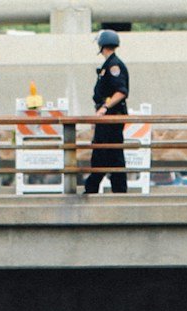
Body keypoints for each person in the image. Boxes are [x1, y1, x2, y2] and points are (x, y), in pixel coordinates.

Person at [82, 31, 131, 194]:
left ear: (102, 45)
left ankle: (92, 189)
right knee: (112, 155)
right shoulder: (109, 64)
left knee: (104, 153)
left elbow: (121, 91)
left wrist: (105, 108)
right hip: (107, 119)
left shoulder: (113, 65)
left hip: (111, 119)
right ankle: (118, 191)